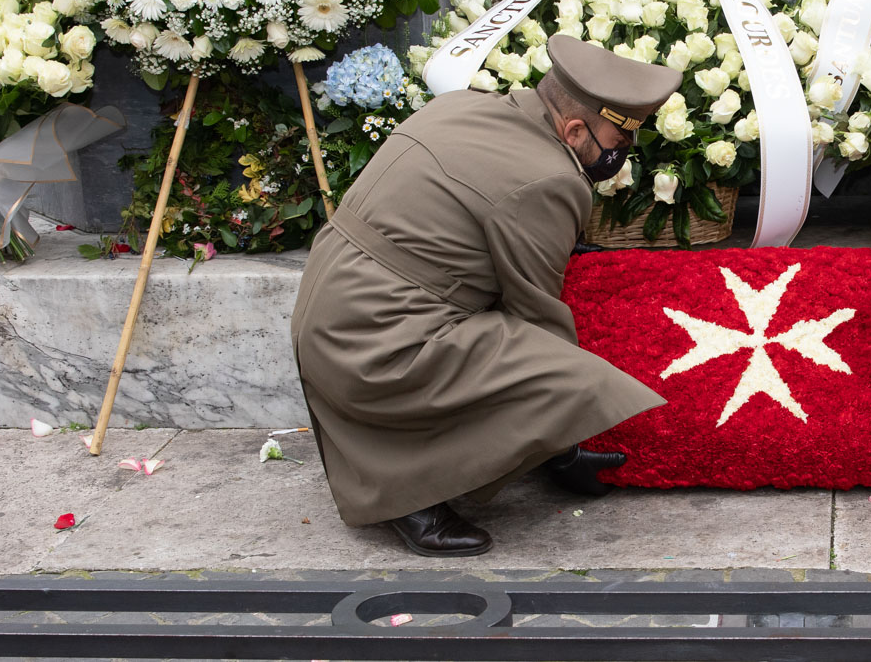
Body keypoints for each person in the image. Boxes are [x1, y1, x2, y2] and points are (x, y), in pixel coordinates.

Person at [291, 35, 682, 556]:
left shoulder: (462, 106)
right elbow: (537, 314)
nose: (622, 154)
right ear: (572, 129)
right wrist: (562, 439)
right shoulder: (551, 180)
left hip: (327, 309)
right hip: (374, 342)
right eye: (619, 140)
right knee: (572, 379)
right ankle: (409, 495)